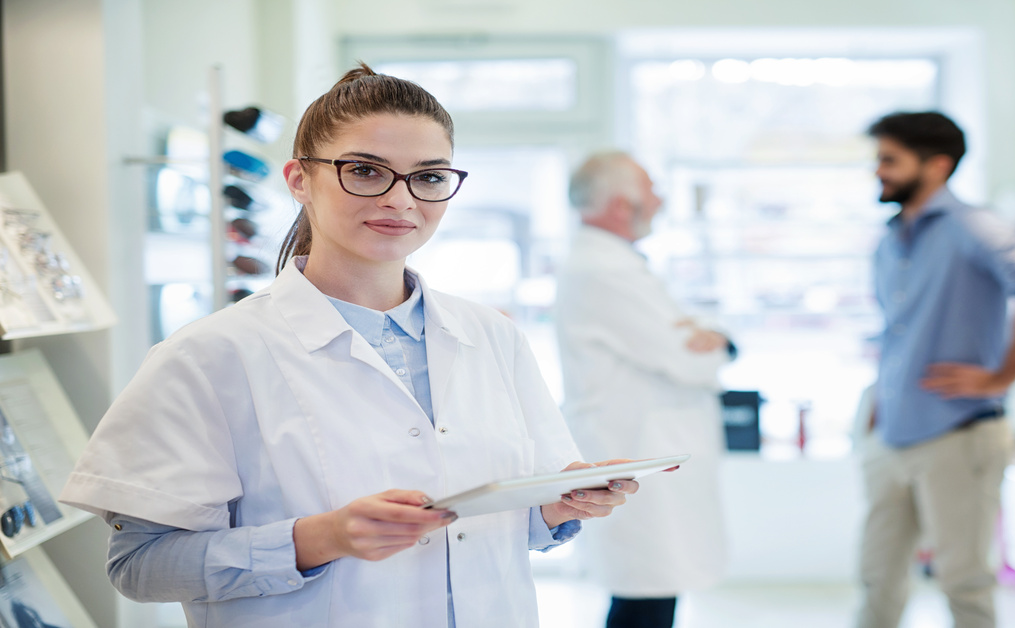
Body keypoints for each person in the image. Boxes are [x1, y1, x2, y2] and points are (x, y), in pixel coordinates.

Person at [59, 64, 641, 628]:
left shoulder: (493, 336)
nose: (401, 200)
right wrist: (322, 538)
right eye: (365, 171)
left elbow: (504, 521)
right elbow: (139, 567)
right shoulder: (210, 355)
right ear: (298, 180)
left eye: (430, 176)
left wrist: (557, 508)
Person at [857, 112, 1015, 628]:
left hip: (957, 434)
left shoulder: (977, 227)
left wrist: (1001, 376)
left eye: (889, 159)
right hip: (890, 434)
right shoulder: (891, 236)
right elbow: (898, 328)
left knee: (963, 580)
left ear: (937, 165)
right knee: (877, 576)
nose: (878, 170)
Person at [556, 152, 734, 628]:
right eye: (652, 189)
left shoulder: (615, 263)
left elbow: (689, 337)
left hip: (645, 447)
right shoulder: (604, 270)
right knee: (644, 597)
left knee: (651, 592)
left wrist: (706, 332)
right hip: (634, 449)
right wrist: (716, 341)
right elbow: (689, 358)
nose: (660, 200)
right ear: (620, 205)